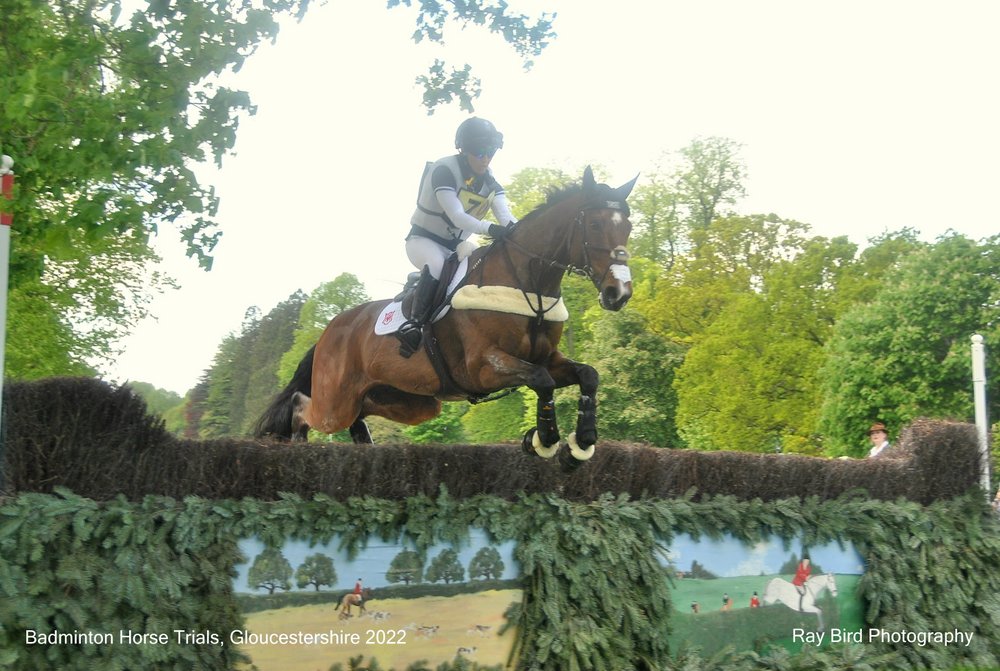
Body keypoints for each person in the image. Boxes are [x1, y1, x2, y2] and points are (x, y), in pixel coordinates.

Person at [396, 117, 518, 357]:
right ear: (464, 150)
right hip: (423, 241)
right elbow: (456, 216)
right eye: (480, 152)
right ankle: (414, 326)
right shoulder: (444, 171)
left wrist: (523, 234)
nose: (485, 158)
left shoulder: (491, 184)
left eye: (490, 151)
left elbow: (507, 217)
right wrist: (491, 229)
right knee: (439, 267)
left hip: (456, 248)